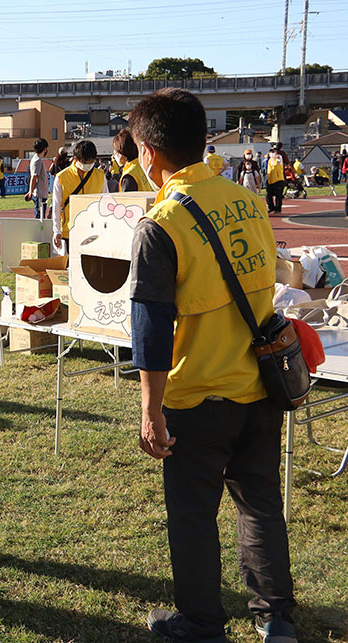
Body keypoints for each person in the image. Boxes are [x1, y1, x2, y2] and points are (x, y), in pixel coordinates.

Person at [129, 88, 296, 643]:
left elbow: (150, 330)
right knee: (261, 506)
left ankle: (201, 621)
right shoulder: (246, 199)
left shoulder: (161, 221)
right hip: (260, 383)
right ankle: (275, 619)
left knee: (194, 516)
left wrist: (150, 410)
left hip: (197, 394)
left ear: (149, 153)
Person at [52, 140, 108, 254]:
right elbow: (56, 206)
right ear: (76, 159)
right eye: (85, 161)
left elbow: (106, 202)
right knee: (70, 266)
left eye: (92, 161)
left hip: (94, 230)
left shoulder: (100, 176)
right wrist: (56, 230)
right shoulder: (61, 178)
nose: (89, 164)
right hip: (69, 231)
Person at [26, 138, 50, 218]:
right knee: (39, 217)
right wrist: (30, 191)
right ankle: (38, 231)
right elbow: (34, 177)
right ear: (45, 149)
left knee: (41, 216)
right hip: (39, 193)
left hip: (42, 193)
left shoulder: (37, 159)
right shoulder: (37, 160)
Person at [265, 148, 286, 214]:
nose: (272, 153)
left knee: (278, 196)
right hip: (270, 180)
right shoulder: (270, 160)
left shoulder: (278, 158)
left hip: (278, 180)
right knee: (268, 195)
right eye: (270, 152)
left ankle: (278, 209)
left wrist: (278, 156)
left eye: (273, 152)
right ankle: (271, 207)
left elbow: (279, 161)